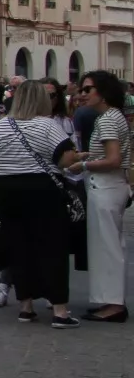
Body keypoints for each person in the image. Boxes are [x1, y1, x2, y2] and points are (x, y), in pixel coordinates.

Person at [0, 80, 80, 326]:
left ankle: (26, 307)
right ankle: (60, 310)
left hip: (4, 188)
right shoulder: (47, 125)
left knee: (19, 247)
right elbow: (65, 160)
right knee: (52, 246)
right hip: (42, 189)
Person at [77, 71, 132, 322]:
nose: (83, 94)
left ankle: (113, 304)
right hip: (112, 185)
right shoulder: (113, 117)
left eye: (88, 89)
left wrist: (84, 165)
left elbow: (113, 159)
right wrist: (87, 156)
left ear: (103, 92)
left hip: (106, 186)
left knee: (106, 247)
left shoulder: (108, 119)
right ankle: (109, 300)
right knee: (107, 246)